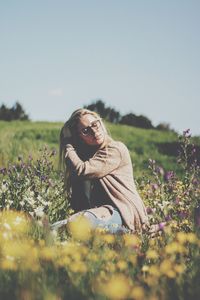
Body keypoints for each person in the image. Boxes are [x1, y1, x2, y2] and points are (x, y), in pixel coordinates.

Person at [51, 108, 149, 234]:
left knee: (79, 223)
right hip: (104, 213)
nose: (94, 131)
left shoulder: (115, 149)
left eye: (95, 124)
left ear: (100, 123)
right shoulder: (89, 157)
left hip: (125, 213)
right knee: (56, 229)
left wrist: (68, 143)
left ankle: (125, 235)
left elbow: (82, 170)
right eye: (86, 131)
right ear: (80, 137)